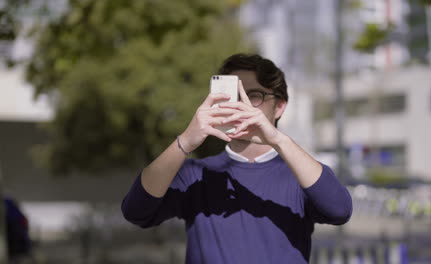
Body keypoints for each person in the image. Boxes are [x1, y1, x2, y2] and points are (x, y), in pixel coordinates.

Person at [121, 53, 352, 263]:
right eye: (233, 96)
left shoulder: (299, 174)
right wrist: (186, 141)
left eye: (254, 96)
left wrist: (278, 140)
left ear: (279, 107)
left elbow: (339, 210)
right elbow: (135, 211)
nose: (241, 105)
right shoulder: (196, 173)